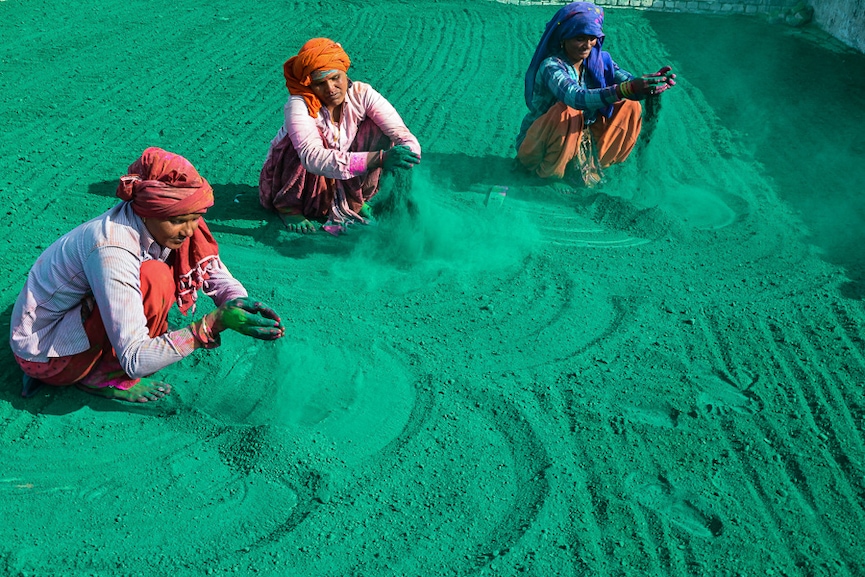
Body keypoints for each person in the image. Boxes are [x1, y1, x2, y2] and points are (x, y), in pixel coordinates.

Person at [9, 147, 285, 403]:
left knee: (155, 276)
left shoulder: (161, 221)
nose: (190, 230)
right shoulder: (112, 249)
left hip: (70, 317)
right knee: (155, 277)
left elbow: (212, 270)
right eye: (178, 221)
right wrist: (208, 327)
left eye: (195, 217)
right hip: (46, 356)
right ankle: (104, 377)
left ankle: (105, 356)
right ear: (148, 211)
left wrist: (235, 300)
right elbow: (135, 360)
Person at [259, 38, 421, 234]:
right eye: (320, 83)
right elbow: (311, 157)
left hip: (342, 173)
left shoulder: (363, 94)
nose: (330, 89)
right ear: (309, 85)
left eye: (335, 78)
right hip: (301, 180)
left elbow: (402, 133)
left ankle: (354, 199)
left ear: (345, 74)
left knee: (379, 130)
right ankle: (288, 207)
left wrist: (407, 156)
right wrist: (379, 159)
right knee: (297, 145)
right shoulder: (298, 105)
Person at [516, 2, 676, 188]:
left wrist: (650, 84)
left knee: (629, 105)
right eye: (579, 38)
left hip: (579, 136)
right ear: (564, 37)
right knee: (569, 111)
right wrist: (626, 88)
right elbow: (575, 97)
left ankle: (585, 165)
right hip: (539, 144)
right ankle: (545, 174)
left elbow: (627, 81)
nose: (587, 45)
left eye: (592, 38)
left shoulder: (600, 60)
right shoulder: (552, 66)